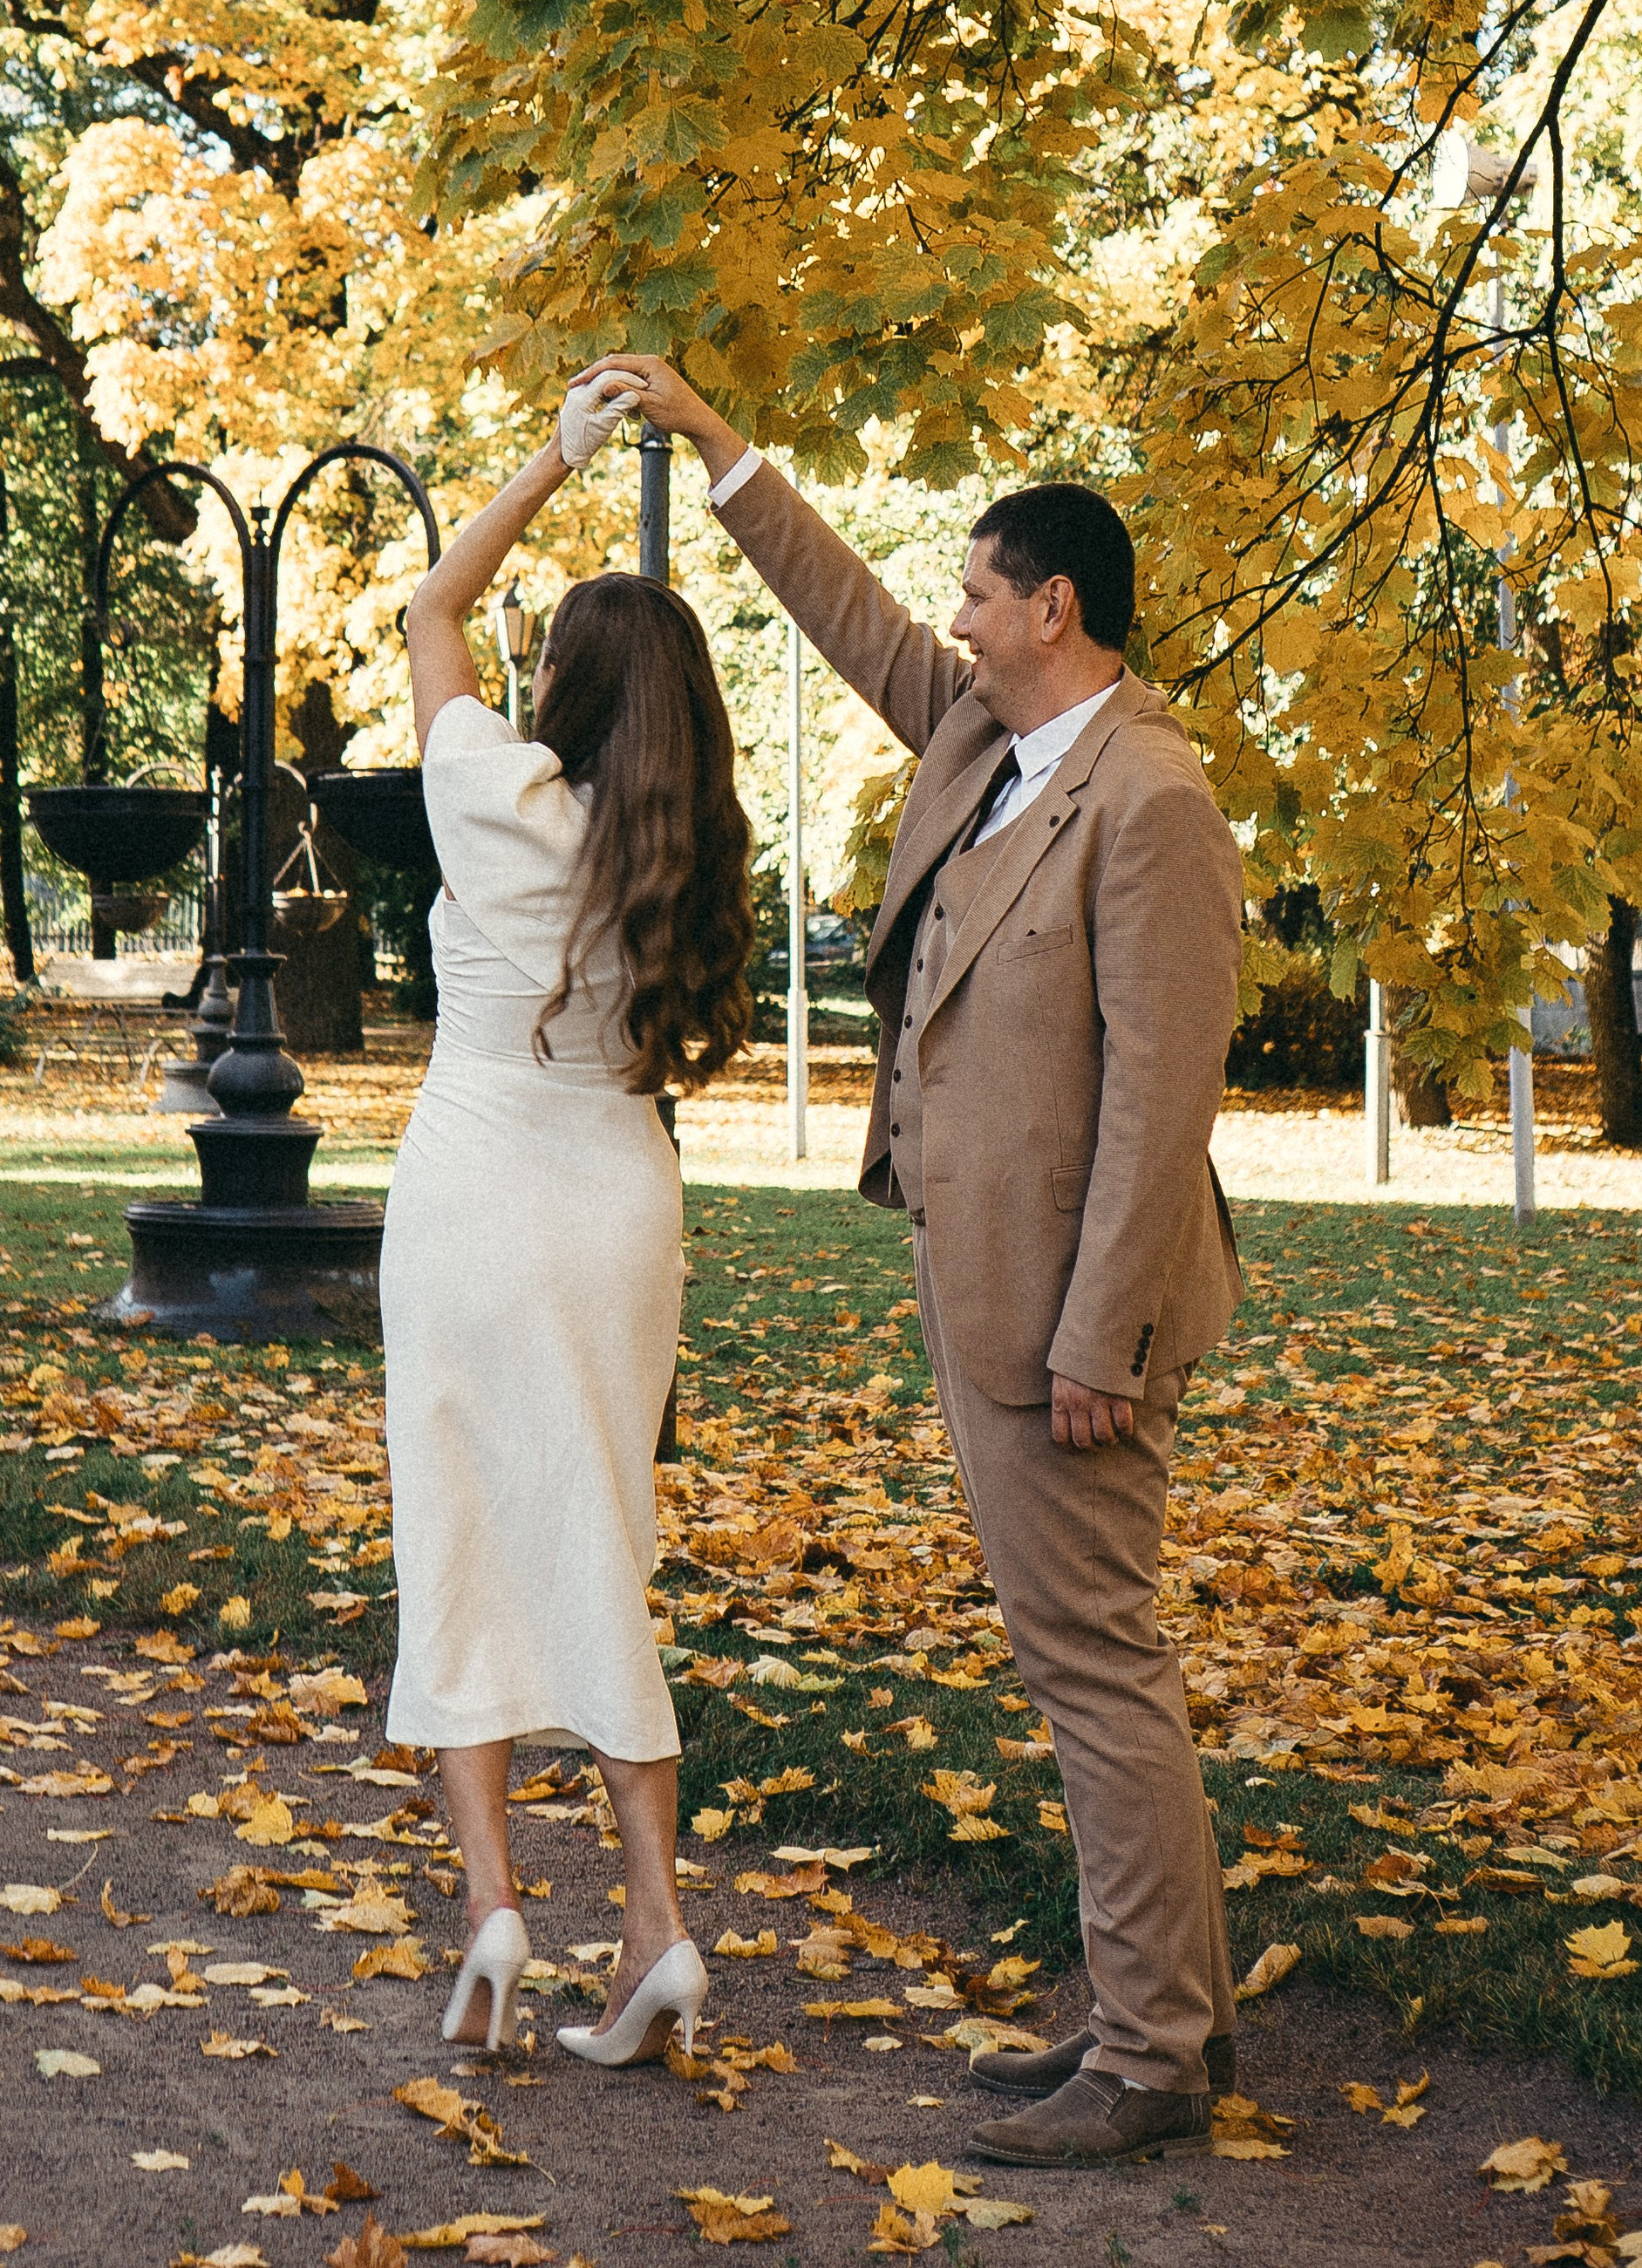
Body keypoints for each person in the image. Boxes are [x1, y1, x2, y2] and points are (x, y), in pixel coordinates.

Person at [578, 355, 1243, 2169]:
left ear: (1054, 607)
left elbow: (1156, 1107)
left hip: (1070, 1315)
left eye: (973, 586)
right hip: (986, 1284)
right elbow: (845, 611)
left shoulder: (1149, 799)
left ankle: (1154, 2054)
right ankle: (1145, 2013)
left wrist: (1097, 1334)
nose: (947, 611)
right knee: (1072, 1655)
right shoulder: (988, 743)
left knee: (1092, 1660)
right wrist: (718, 451)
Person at [385, 378, 756, 2068]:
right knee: (600, 1542)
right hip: (614, 1203)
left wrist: (557, 454)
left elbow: (428, 604)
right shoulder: (674, 852)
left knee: (457, 1532)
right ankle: (658, 1930)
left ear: (560, 690)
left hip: (466, 1185)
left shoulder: (486, 791)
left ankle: (489, 1911)